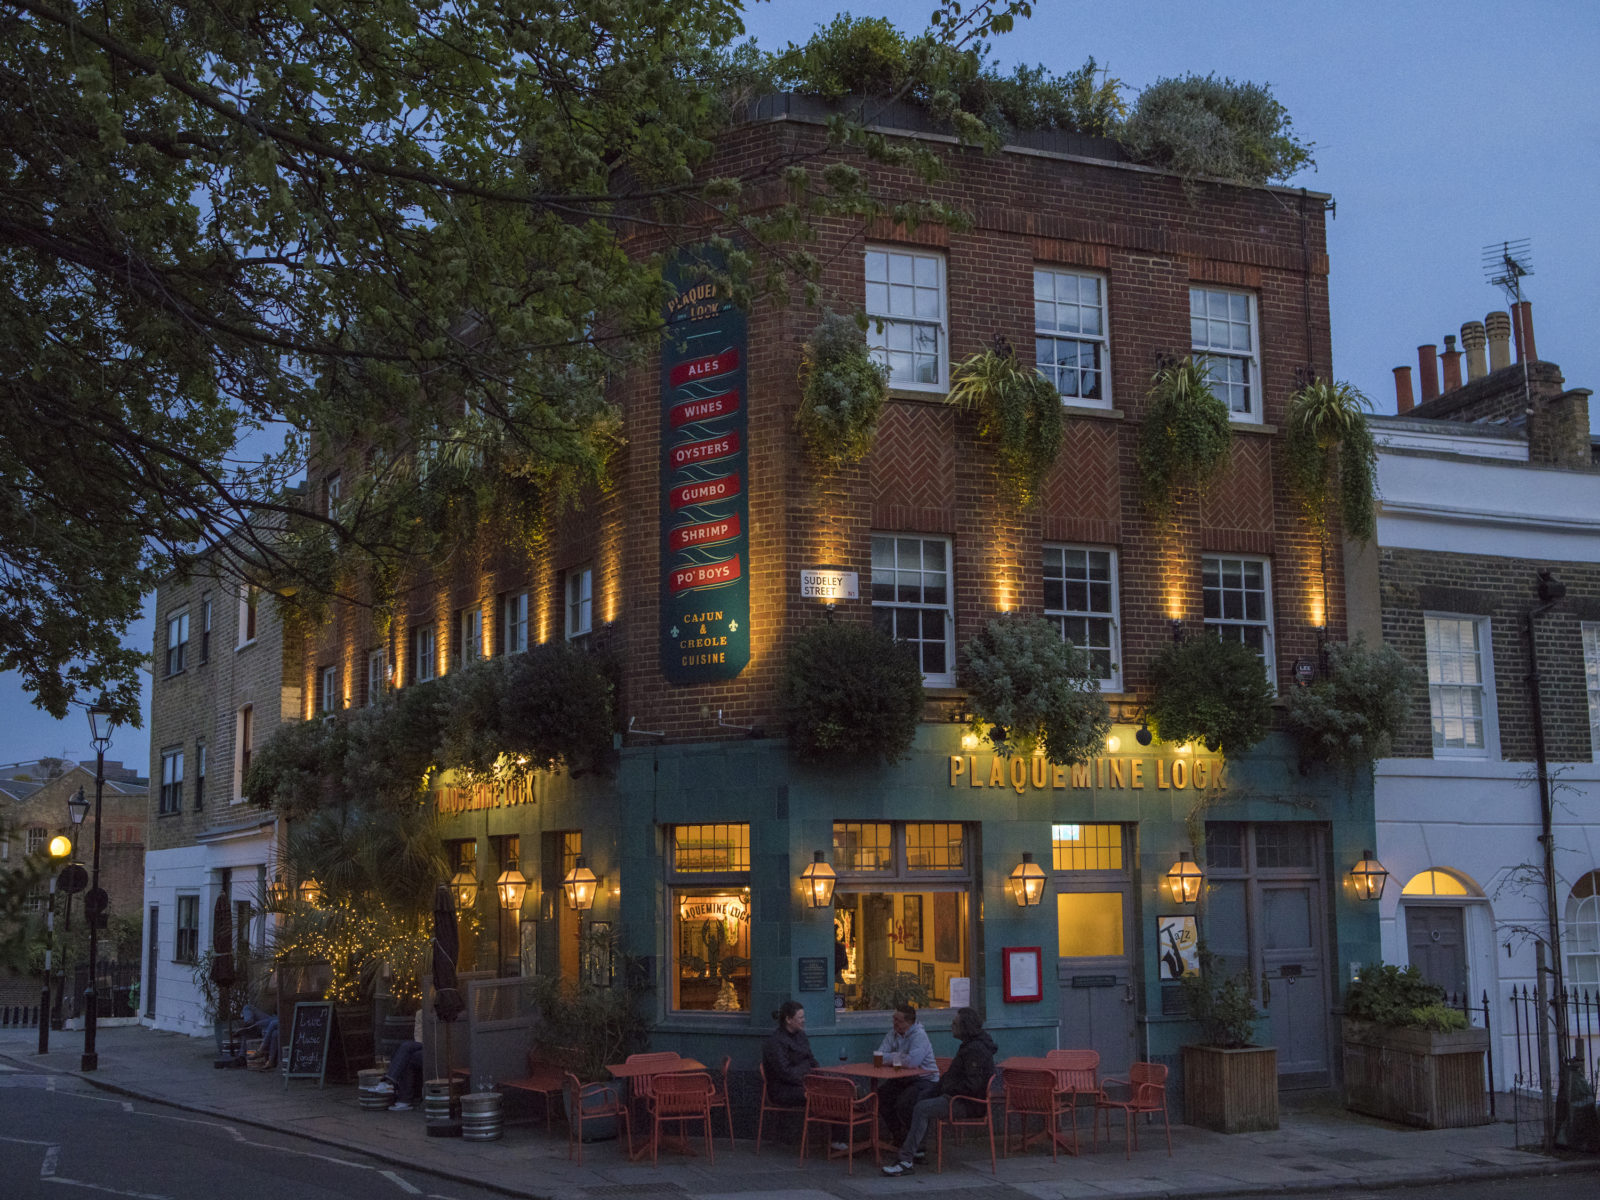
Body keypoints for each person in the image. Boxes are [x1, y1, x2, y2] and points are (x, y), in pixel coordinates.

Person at [882, 1006, 996, 1177]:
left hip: (966, 1102)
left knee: (922, 1108)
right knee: (918, 1100)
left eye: (955, 1023)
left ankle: (905, 1160)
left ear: (965, 1027)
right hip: (956, 1096)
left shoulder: (975, 1051)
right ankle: (916, 1148)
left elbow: (973, 1085)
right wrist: (936, 1091)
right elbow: (951, 1076)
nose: (951, 1026)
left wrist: (946, 1090)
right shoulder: (968, 1046)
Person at [873, 1002, 940, 1145]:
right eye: (894, 1019)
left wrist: (892, 1057)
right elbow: (879, 1056)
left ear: (909, 1022)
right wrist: (899, 1057)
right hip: (904, 1078)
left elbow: (912, 1062)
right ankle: (900, 1136)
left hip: (925, 1079)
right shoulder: (893, 1033)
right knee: (881, 1097)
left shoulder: (919, 1036)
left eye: (898, 1020)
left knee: (906, 1103)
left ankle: (918, 1145)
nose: (894, 1023)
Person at [762, 1000, 817, 1107]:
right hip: (783, 1090)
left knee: (837, 1091)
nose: (804, 1020)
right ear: (788, 1019)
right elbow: (785, 1072)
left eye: (803, 1017)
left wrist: (819, 1078)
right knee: (821, 1095)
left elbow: (812, 1060)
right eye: (800, 1018)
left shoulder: (801, 1036)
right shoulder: (775, 1042)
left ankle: (839, 1122)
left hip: (804, 1083)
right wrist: (807, 1080)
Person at [374, 1008, 425, 1111]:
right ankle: (403, 1101)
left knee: (405, 1047)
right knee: (408, 1057)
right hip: (423, 1046)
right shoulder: (421, 1013)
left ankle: (391, 1084)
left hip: (436, 1046)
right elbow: (419, 1037)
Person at [240, 1003, 279, 1072]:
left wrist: (257, 1023)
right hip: (273, 1018)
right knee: (247, 1007)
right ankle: (249, 1024)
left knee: (274, 1030)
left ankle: (261, 1051)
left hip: (279, 1020)